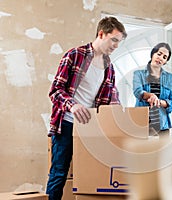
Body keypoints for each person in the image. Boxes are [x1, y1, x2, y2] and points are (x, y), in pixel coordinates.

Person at [46, 17, 127, 200]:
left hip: (91, 129)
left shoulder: (109, 67)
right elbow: (55, 91)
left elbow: (112, 99)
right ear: (101, 34)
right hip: (66, 124)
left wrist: (123, 117)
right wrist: (72, 105)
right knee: (59, 174)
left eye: (119, 42)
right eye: (113, 39)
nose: (116, 46)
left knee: (93, 176)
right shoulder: (75, 55)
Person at [133, 42, 172, 137]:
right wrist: (150, 95)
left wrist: (159, 102)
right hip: (142, 124)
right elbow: (138, 92)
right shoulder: (138, 74)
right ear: (152, 54)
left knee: (163, 152)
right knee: (141, 151)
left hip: (162, 126)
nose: (161, 58)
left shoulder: (170, 78)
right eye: (159, 54)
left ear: (165, 62)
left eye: (164, 57)